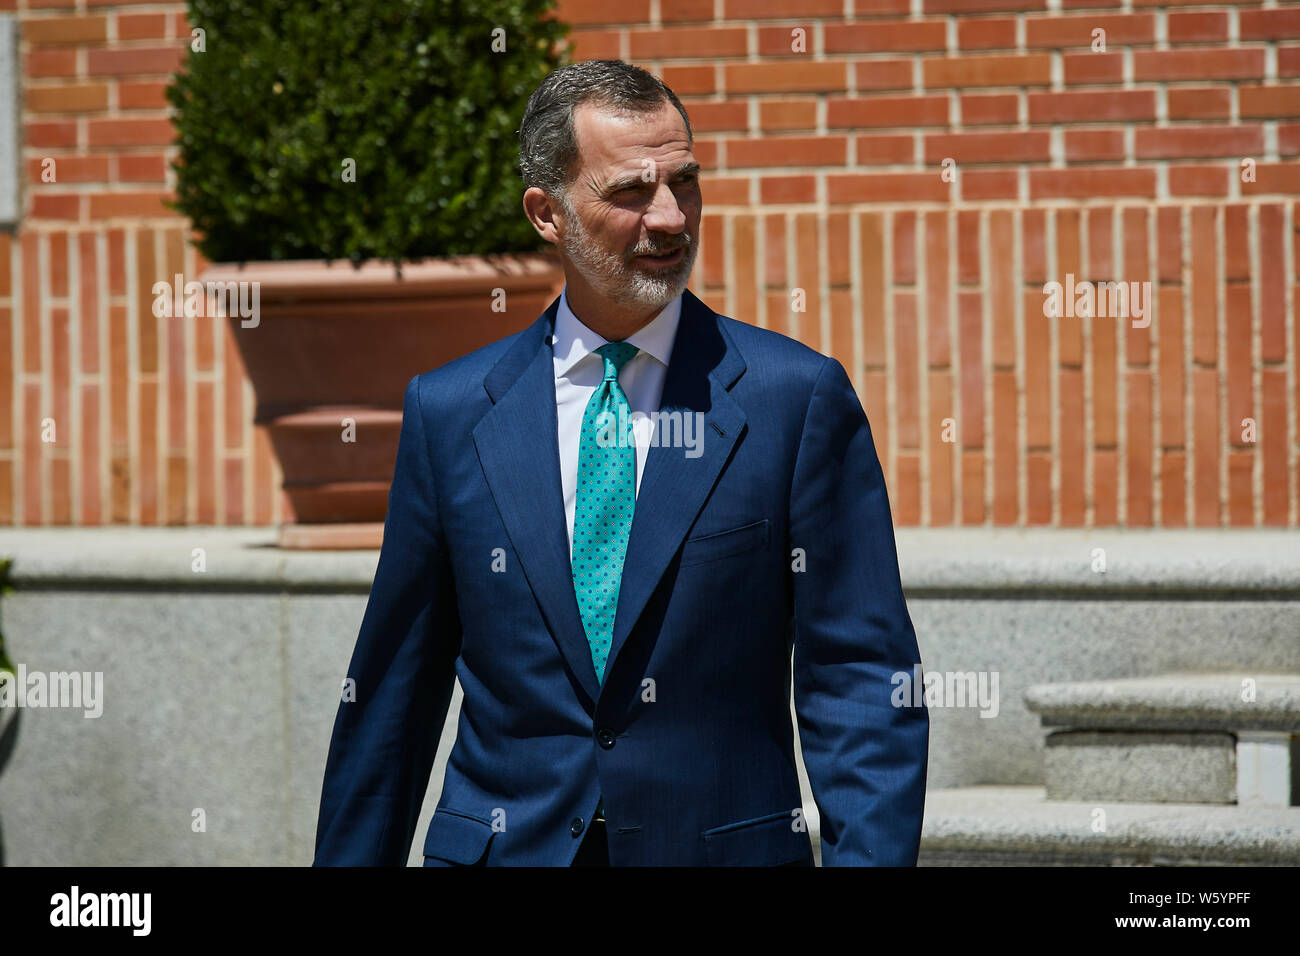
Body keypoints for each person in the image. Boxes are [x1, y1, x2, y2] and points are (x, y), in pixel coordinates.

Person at [313, 59, 928, 867]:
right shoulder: (451, 411)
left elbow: (861, 682)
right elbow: (394, 693)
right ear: (548, 213)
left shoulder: (794, 399)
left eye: (684, 182)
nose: (670, 218)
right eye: (631, 192)